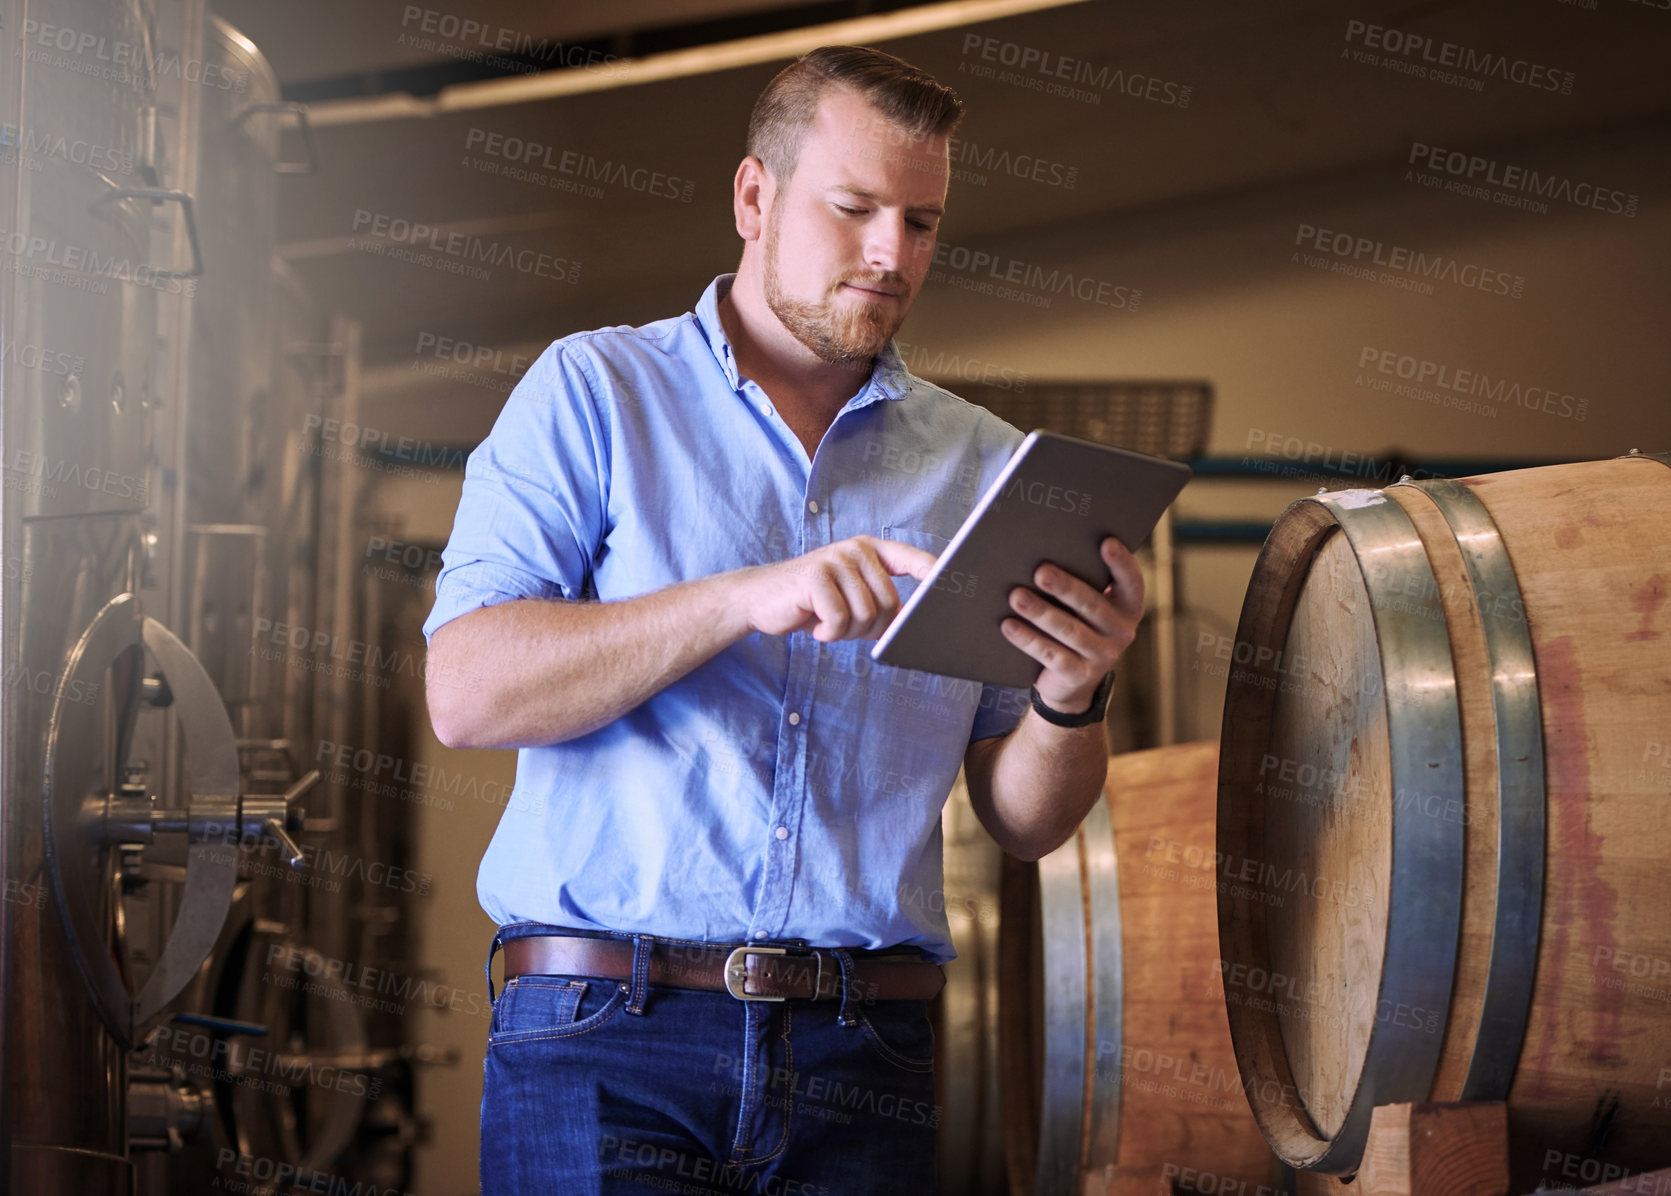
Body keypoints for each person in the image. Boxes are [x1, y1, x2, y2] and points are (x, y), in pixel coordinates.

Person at [422, 44, 1145, 1195]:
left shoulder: (987, 467)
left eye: (922, 223)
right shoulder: (594, 393)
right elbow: (467, 692)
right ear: (754, 197)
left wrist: (1077, 692)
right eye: (855, 209)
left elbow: (1024, 818)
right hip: (608, 1034)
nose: (890, 255)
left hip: (871, 1052)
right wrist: (742, 596)